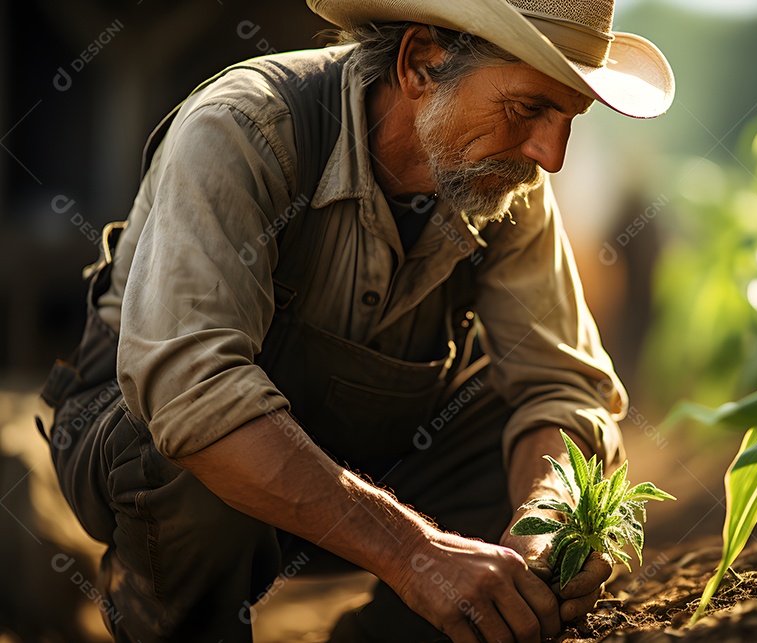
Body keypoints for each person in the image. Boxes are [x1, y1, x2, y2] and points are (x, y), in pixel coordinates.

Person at [39, 0, 674, 640]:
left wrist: (548, 519)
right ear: (421, 62)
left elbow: (561, 385)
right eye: (528, 108)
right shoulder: (242, 129)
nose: (552, 154)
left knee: (520, 434)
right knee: (187, 452)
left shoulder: (504, 183)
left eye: (569, 117)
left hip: (363, 458)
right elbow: (190, 391)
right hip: (162, 472)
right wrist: (415, 555)